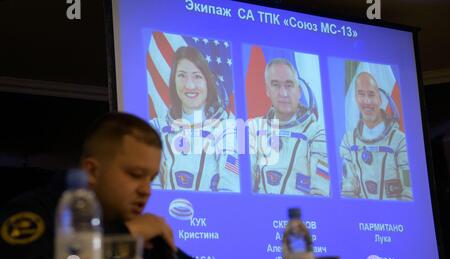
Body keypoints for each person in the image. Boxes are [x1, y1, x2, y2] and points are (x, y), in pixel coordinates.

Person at [0, 112, 223, 259]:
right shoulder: (35, 212)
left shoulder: (142, 234)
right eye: (136, 175)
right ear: (92, 171)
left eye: (151, 178)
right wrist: (127, 235)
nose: (146, 190)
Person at [150, 46, 240, 193]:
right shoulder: (157, 128)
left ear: (208, 82)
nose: (189, 85)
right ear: (174, 80)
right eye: (182, 75)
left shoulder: (230, 129)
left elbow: (231, 188)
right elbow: (151, 189)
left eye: (197, 76)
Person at [248, 58, 329, 196]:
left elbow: (321, 193)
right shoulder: (252, 128)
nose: (283, 93)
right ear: (267, 90)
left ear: (299, 91)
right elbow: (242, 185)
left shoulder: (317, 132)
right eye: (275, 85)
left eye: (289, 85)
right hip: (261, 213)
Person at [339, 72, 412, 200]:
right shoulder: (348, 141)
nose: (367, 101)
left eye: (371, 94)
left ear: (380, 98)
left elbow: (409, 192)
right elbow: (347, 191)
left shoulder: (399, 141)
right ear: (356, 98)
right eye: (361, 94)